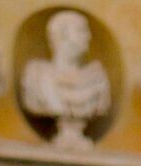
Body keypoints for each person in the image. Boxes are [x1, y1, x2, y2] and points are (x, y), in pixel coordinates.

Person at [20, 9, 112, 149]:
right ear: (62, 35)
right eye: (81, 31)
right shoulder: (37, 76)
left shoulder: (97, 79)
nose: (88, 37)